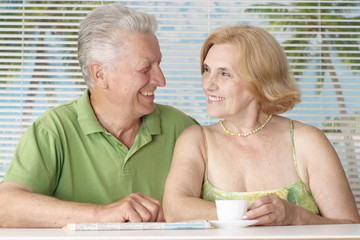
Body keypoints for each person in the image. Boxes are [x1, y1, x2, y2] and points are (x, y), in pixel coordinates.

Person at [0, 4, 197, 228]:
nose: (161, 80)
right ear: (100, 74)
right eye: (145, 69)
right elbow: (5, 207)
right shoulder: (53, 129)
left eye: (158, 64)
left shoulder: (183, 129)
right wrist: (102, 215)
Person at [163, 24, 360, 225]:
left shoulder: (306, 141)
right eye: (207, 69)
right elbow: (174, 209)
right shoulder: (196, 140)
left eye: (224, 73)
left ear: (259, 79)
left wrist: (295, 216)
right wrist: (249, 214)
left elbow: (351, 227)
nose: (207, 84)